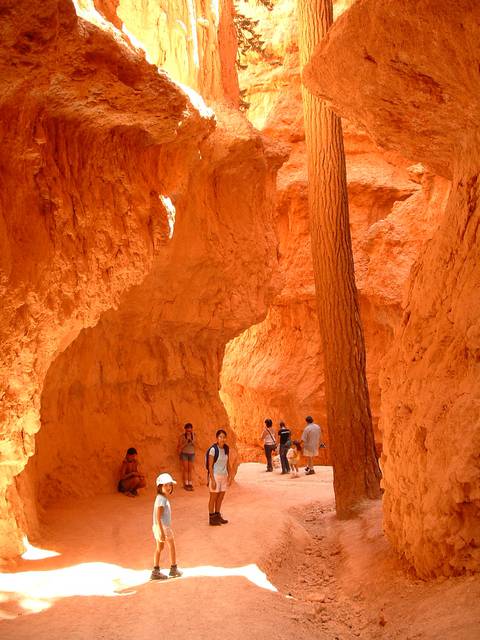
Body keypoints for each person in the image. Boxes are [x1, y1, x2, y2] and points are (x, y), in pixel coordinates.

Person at [150, 472, 183, 580]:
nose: (169, 487)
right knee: (172, 545)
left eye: (170, 485)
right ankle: (173, 568)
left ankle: (155, 570)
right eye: (166, 485)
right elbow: (159, 517)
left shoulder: (160, 498)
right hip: (163, 527)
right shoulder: (162, 500)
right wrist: (162, 532)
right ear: (160, 487)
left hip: (157, 527)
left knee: (159, 548)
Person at [207, 429, 232, 526]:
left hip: (224, 476)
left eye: (224, 437)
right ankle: (211, 518)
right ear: (217, 438)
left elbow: (228, 463)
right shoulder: (213, 449)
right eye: (220, 437)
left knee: (220, 497)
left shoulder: (226, 449)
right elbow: (210, 466)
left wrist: (230, 476)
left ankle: (217, 515)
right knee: (213, 497)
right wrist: (212, 480)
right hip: (216, 476)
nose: (222, 439)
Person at [177, 422, 195, 491]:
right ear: (185, 430)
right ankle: (186, 484)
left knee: (190, 470)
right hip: (184, 454)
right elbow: (179, 446)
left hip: (191, 454)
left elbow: (195, 444)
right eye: (187, 431)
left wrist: (191, 441)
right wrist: (186, 442)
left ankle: (190, 483)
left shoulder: (194, 436)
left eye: (190, 430)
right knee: (185, 469)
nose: (189, 432)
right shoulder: (182, 437)